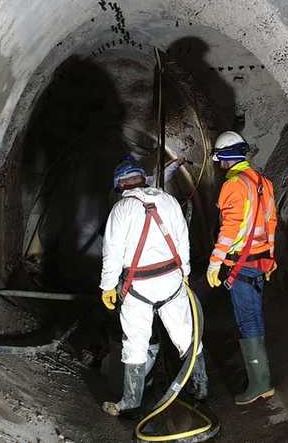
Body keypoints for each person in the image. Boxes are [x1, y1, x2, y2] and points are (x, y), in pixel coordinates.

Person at [100, 156, 207, 416]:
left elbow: (112, 254)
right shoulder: (169, 202)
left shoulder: (121, 210)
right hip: (172, 282)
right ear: (141, 179)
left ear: (120, 185)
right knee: (186, 337)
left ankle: (131, 403)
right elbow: (183, 240)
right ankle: (200, 390)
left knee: (136, 343)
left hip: (139, 288)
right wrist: (185, 274)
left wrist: (108, 287)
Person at [205, 131, 277, 405]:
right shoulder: (263, 182)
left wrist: (215, 262)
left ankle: (260, 384)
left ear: (224, 159)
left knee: (247, 320)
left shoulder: (233, 185)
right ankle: (262, 379)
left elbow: (229, 229)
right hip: (259, 261)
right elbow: (271, 222)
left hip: (241, 264)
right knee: (255, 316)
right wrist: (272, 258)